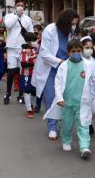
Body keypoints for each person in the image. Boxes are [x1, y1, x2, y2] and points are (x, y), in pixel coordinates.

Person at [33, 10, 80, 140]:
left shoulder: (72, 33)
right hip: (50, 69)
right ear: (65, 22)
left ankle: (61, 122)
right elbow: (44, 53)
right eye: (72, 24)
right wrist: (61, 62)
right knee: (50, 97)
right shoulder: (50, 30)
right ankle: (52, 127)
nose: (73, 26)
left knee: (64, 98)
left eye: (75, 24)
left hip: (66, 70)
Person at [50, 39, 95, 157]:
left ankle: (84, 147)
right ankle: (66, 140)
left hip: (83, 102)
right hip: (67, 102)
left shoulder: (88, 65)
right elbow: (57, 83)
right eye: (73, 51)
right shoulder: (64, 66)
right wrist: (59, 98)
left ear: (82, 51)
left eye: (78, 51)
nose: (76, 53)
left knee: (84, 124)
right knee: (67, 124)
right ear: (68, 53)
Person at [3, 0, 34, 105]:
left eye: (22, 5)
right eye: (18, 5)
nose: (20, 6)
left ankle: (21, 95)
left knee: (22, 73)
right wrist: (16, 15)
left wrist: (31, 47)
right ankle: (8, 94)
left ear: (25, 7)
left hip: (23, 49)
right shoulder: (9, 16)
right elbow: (8, 25)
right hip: (11, 48)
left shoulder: (28, 19)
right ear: (15, 6)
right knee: (11, 72)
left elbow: (31, 34)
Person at [20, 33, 38, 118]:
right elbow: (23, 64)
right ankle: (29, 109)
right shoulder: (24, 50)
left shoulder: (34, 50)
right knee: (27, 91)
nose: (36, 42)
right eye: (34, 41)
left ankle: (33, 106)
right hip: (26, 74)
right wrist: (33, 64)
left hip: (35, 74)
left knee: (34, 91)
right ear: (29, 41)